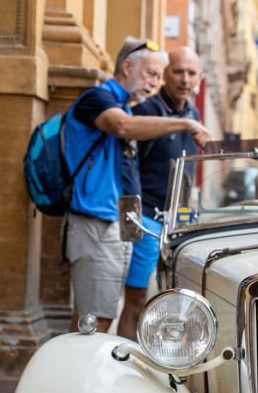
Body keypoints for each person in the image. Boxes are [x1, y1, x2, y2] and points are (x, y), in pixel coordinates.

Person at [64, 37, 211, 334]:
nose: (154, 83)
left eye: (158, 76)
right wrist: (185, 124)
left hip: (118, 222)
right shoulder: (100, 98)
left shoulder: (126, 107)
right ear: (127, 66)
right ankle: (83, 379)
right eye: (152, 74)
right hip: (98, 220)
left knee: (102, 314)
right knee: (94, 321)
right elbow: (122, 127)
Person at [117, 46, 205, 340]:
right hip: (148, 220)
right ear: (165, 74)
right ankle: (125, 368)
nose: (184, 78)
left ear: (199, 78)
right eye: (178, 71)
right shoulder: (147, 111)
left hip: (179, 222)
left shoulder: (194, 113)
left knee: (174, 301)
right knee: (137, 300)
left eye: (191, 72)